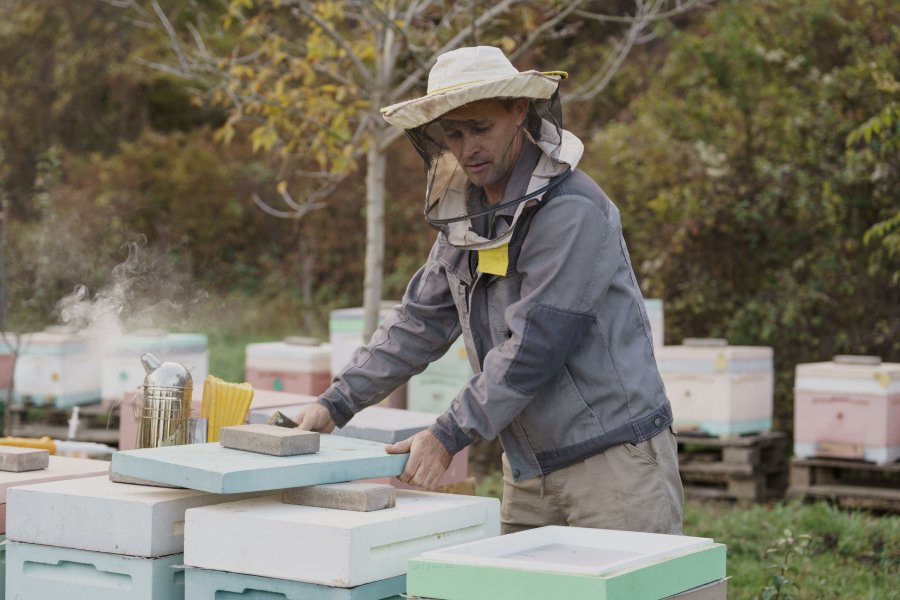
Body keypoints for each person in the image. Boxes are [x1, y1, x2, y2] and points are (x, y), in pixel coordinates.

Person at [295, 46, 684, 535]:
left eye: (480, 128)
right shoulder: (469, 219)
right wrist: (334, 404)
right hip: (528, 466)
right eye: (453, 133)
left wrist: (448, 433)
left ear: (518, 111)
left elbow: (535, 347)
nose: (466, 148)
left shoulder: (572, 212)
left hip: (613, 464)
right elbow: (419, 322)